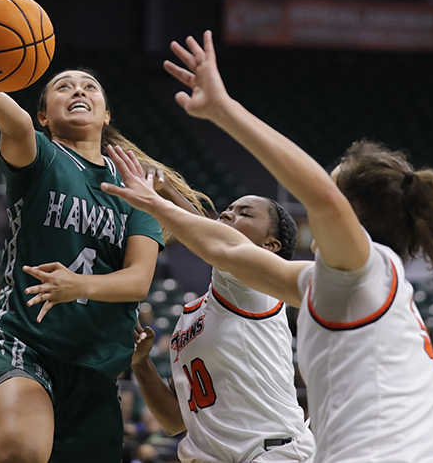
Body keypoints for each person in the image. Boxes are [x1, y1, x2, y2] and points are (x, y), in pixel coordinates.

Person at [100, 31, 433, 461]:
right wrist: (156, 204)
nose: (321, 183)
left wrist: (224, 109)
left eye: (332, 176)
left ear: (349, 207)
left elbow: (315, 203)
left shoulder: (367, 270)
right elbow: (229, 252)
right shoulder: (322, 282)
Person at [0, 22, 206, 463]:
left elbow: (137, 281)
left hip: (95, 370)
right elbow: (12, 121)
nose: (78, 90)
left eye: (90, 87)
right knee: (21, 451)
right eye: (63, 87)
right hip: (23, 343)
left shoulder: (134, 191)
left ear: (106, 114)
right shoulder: (41, 156)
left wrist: (78, 285)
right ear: (44, 116)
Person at [131, 194, 316, 462]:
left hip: (270, 453)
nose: (228, 214)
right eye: (227, 209)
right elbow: (174, 421)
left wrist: (165, 189)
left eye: (245, 213)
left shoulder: (255, 289)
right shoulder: (189, 317)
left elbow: (213, 241)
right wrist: (141, 362)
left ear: (270, 245)